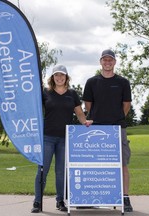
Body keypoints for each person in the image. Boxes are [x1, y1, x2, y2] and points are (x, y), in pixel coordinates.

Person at [31, 64, 93, 213]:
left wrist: (85, 121)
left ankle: (60, 200)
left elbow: (78, 112)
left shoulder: (72, 94)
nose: (59, 78)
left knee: (61, 172)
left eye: (62, 75)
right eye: (56, 75)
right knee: (42, 170)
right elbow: (35, 109)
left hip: (65, 139)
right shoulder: (45, 92)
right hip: (47, 137)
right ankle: (37, 201)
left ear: (66, 77)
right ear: (52, 77)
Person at [82, 49, 133, 212]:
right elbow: (88, 105)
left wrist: (116, 118)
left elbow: (126, 105)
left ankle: (125, 198)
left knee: (122, 164)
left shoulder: (123, 82)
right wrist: (99, 118)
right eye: (105, 60)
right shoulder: (91, 82)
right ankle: (91, 198)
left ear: (115, 62)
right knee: (94, 164)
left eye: (110, 60)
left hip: (118, 128)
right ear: (100, 62)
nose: (107, 62)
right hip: (96, 127)